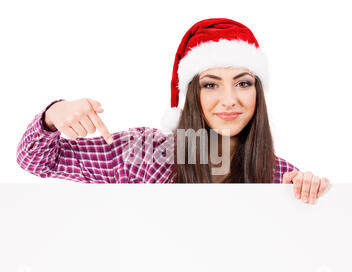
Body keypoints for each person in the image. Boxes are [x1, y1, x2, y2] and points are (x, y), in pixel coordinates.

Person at [16, 18, 330, 204]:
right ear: (190, 95)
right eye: (211, 85)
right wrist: (53, 115)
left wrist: (312, 194)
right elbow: (39, 160)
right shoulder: (142, 154)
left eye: (243, 83)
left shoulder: (279, 176)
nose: (230, 99)